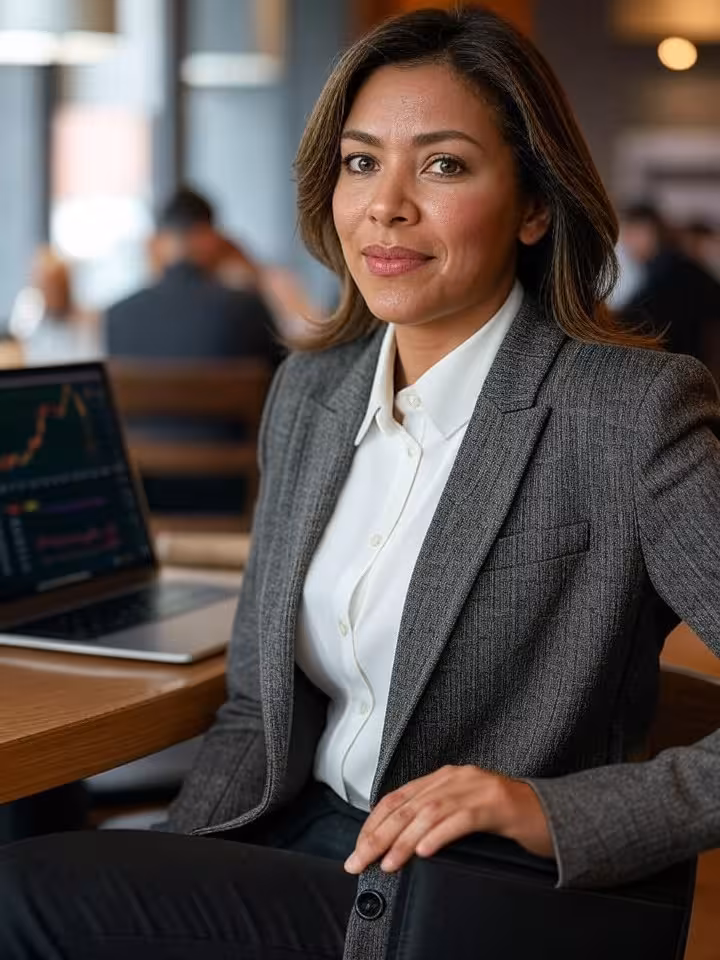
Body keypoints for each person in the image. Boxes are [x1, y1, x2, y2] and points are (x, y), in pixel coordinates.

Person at [2, 8, 720, 960]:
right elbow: (258, 710)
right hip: (297, 844)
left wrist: (561, 809)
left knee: (24, 895)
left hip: (462, 891)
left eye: (444, 164)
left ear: (535, 205)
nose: (386, 205)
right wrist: (176, 863)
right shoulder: (312, 391)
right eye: (360, 161)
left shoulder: (628, 411)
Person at [106, 187, 280, 365]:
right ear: (209, 236)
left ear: (159, 241)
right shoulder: (246, 308)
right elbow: (282, 376)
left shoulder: (117, 315)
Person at [619, 202, 720, 364]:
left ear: (648, 231)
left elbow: (632, 319)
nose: (625, 242)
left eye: (630, 233)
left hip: (677, 366)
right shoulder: (675, 265)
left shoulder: (668, 271)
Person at [8, 246, 100, 365]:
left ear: (66, 286)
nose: (48, 293)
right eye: (43, 285)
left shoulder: (87, 319)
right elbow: (17, 347)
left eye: (54, 287)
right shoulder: (29, 311)